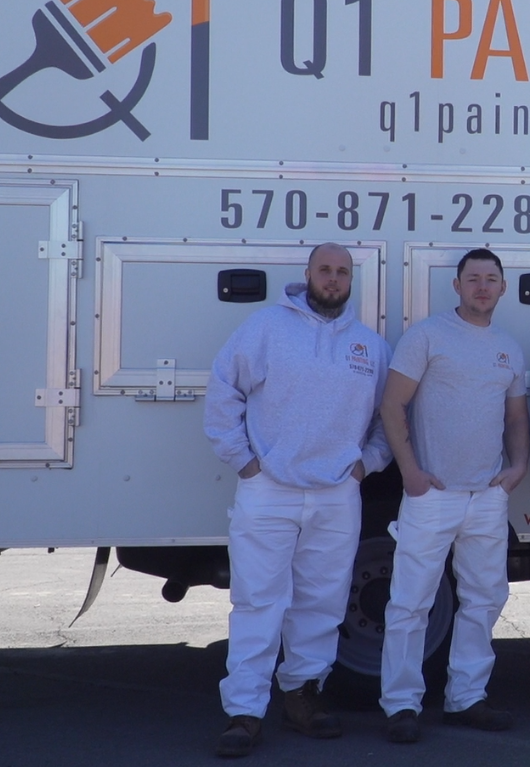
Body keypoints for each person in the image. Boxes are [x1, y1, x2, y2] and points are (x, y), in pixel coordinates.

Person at [203, 243, 391, 758]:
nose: (333, 279)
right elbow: (223, 391)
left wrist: (365, 465)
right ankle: (244, 711)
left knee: (323, 602)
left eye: (342, 273)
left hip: (336, 495)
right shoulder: (267, 329)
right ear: (307, 274)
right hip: (268, 490)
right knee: (258, 602)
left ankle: (303, 696)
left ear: (352, 281)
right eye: (325, 270)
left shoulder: (369, 346)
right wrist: (244, 461)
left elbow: (387, 420)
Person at [377, 249, 530, 743]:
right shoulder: (427, 336)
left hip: (486, 495)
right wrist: (412, 474)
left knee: (484, 598)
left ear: (503, 288)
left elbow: (515, 418)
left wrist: (518, 467)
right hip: (432, 494)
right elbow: (392, 405)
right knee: (410, 602)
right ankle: (401, 704)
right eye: (473, 279)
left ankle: (467, 697)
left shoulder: (508, 347)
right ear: (457, 286)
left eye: (491, 279)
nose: (482, 287)